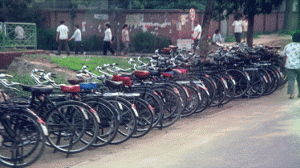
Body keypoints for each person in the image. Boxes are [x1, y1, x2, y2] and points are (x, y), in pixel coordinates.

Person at [282, 30, 300, 99]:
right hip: (299, 66)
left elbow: (284, 55)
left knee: (291, 80)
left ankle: (291, 94)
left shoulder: (287, 46)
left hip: (289, 66)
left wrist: (284, 62)